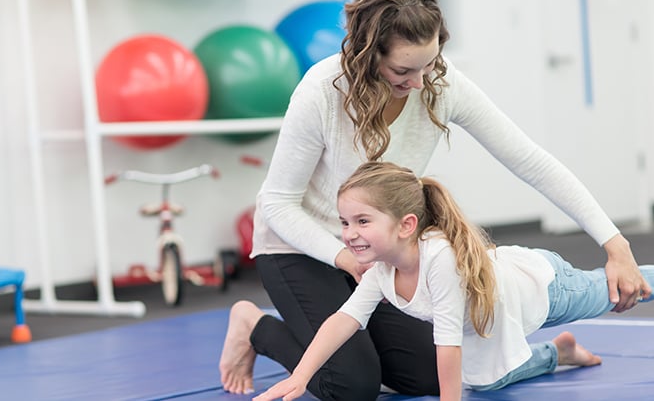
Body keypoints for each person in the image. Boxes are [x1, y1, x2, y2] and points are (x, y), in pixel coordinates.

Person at [219, 0, 650, 399]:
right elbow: (277, 204)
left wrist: (616, 245)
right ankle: (253, 325)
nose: (422, 82)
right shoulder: (322, 91)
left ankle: (550, 356)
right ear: (367, 57)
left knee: (430, 374)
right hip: (297, 245)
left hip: (377, 250)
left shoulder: (441, 84)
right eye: (403, 70)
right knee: (350, 386)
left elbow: (530, 161)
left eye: (430, 64)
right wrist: (345, 257)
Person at [251, 161, 654, 401]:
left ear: (406, 225)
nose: (349, 233)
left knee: (624, 290)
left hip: (545, 290)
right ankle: (559, 354)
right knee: (487, 380)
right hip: (496, 322)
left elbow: (448, 344)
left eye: (362, 221)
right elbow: (344, 320)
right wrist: (300, 376)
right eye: (344, 222)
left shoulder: (437, 260)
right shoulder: (383, 269)